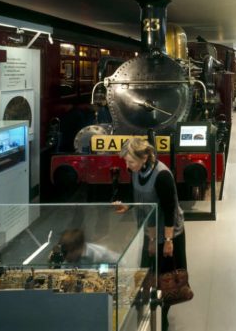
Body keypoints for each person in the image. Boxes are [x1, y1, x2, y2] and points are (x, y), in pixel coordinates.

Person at [114, 137, 187, 331]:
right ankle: (150, 310)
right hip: (150, 230)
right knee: (148, 273)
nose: (127, 165)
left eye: (130, 161)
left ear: (145, 157)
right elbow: (137, 194)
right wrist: (127, 205)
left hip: (168, 232)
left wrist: (167, 240)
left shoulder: (162, 175)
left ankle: (161, 316)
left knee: (166, 276)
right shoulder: (137, 171)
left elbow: (169, 208)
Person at [53, 228, 120, 265]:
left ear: (79, 248)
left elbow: (121, 263)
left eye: (68, 252)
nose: (65, 257)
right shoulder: (65, 254)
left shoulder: (100, 254)